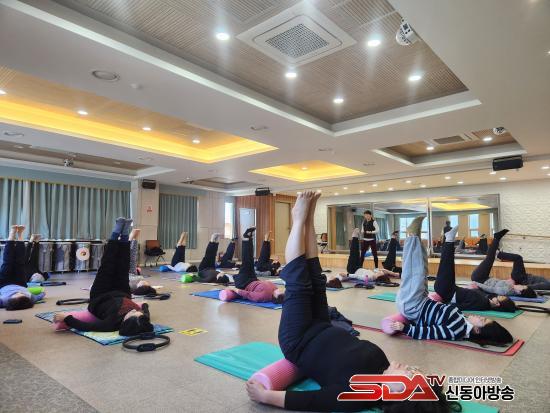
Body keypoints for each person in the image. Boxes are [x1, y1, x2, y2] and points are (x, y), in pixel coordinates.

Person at [246, 191, 456, 412]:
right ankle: (308, 218)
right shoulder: (382, 364)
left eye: (410, 374)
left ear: (397, 393)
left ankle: (298, 218)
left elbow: (314, 401)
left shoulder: (359, 394)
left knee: (299, 281)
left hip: (299, 339)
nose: (410, 367)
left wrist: (265, 396)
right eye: (416, 370)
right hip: (322, 324)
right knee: (316, 276)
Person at [391, 217, 513, 345]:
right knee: (422, 270)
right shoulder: (463, 321)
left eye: (482, 320)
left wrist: (406, 328)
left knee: (414, 272)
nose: (480, 316)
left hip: (414, 306)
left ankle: (412, 237)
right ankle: (416, 236)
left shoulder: (457, 330)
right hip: (423, 302)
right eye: (484, 318)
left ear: (477, 330)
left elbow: (431, 332)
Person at [53, 218, 153, 335]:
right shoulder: (142, 318)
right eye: (138, 312)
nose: (135, 310)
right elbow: (145, 308)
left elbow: (86, 326)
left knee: (108, 264)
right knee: (123, 264)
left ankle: (116, 232)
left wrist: (66, 318)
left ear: (126, 320)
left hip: (100, 295)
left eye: (133, 313)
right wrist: (144, 306)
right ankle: (125, 233)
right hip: (122, 291)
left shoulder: (111, 324)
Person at [434, 226, 517, 312]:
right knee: (448, 265)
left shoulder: (482, 304)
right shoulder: (487, 299)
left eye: (500, 297)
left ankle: (449, 240)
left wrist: (444, 306)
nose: (498, 296)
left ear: (497, 304)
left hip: (447, 291)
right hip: (451, 288)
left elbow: (463, 306)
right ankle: (448, 240)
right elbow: (492, 293)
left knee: (447, 265)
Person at [223, 228, 284, 303]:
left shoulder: (264, 296)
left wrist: (234, 289)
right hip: (253, 279)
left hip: (244, 283)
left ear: (276, 296)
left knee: (247, 262)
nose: (282, 290)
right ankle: (250, 238)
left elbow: (248, 294)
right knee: (250, 260)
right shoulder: (274, 288)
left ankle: (246, 238)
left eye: (281, 293)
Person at [470, 230, 537, 298]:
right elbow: (498, 284)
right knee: (490, 259)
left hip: (479, 279)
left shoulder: (507, 291)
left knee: (489, 259)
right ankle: (497, 240)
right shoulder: (512, 287)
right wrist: (507, 281)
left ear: (519, 292)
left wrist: (477, 284)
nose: (520, 285)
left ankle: (497, 239)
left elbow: (492, 289)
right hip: (485, 278)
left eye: (522, 287)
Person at [0, 225, 46, 311]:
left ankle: (12, 234)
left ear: (10, 300)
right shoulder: (29, 298)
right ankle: (20, 234)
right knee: (20, 262)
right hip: (20, 282)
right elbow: (38, 297)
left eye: (17, 295)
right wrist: (43, 294)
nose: (19, 292)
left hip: (4, 282)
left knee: (8, 261)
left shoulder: (4, 300)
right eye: (22, 294)